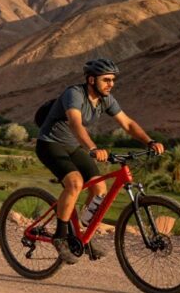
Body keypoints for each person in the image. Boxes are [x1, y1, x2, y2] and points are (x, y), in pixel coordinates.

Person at [35, 58, 164, 264]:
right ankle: (60, 237)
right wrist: (93, 148)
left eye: (113, 80)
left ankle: (82, 236)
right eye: (106, 80)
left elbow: (128, 123)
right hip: (50, 143)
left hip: (72, 146)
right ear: (91, 79)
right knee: (75, 183)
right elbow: (75, 123)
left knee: (99, 190)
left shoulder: (106, 99)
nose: (111, 84)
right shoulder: (74, 94)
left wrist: (149, 141)